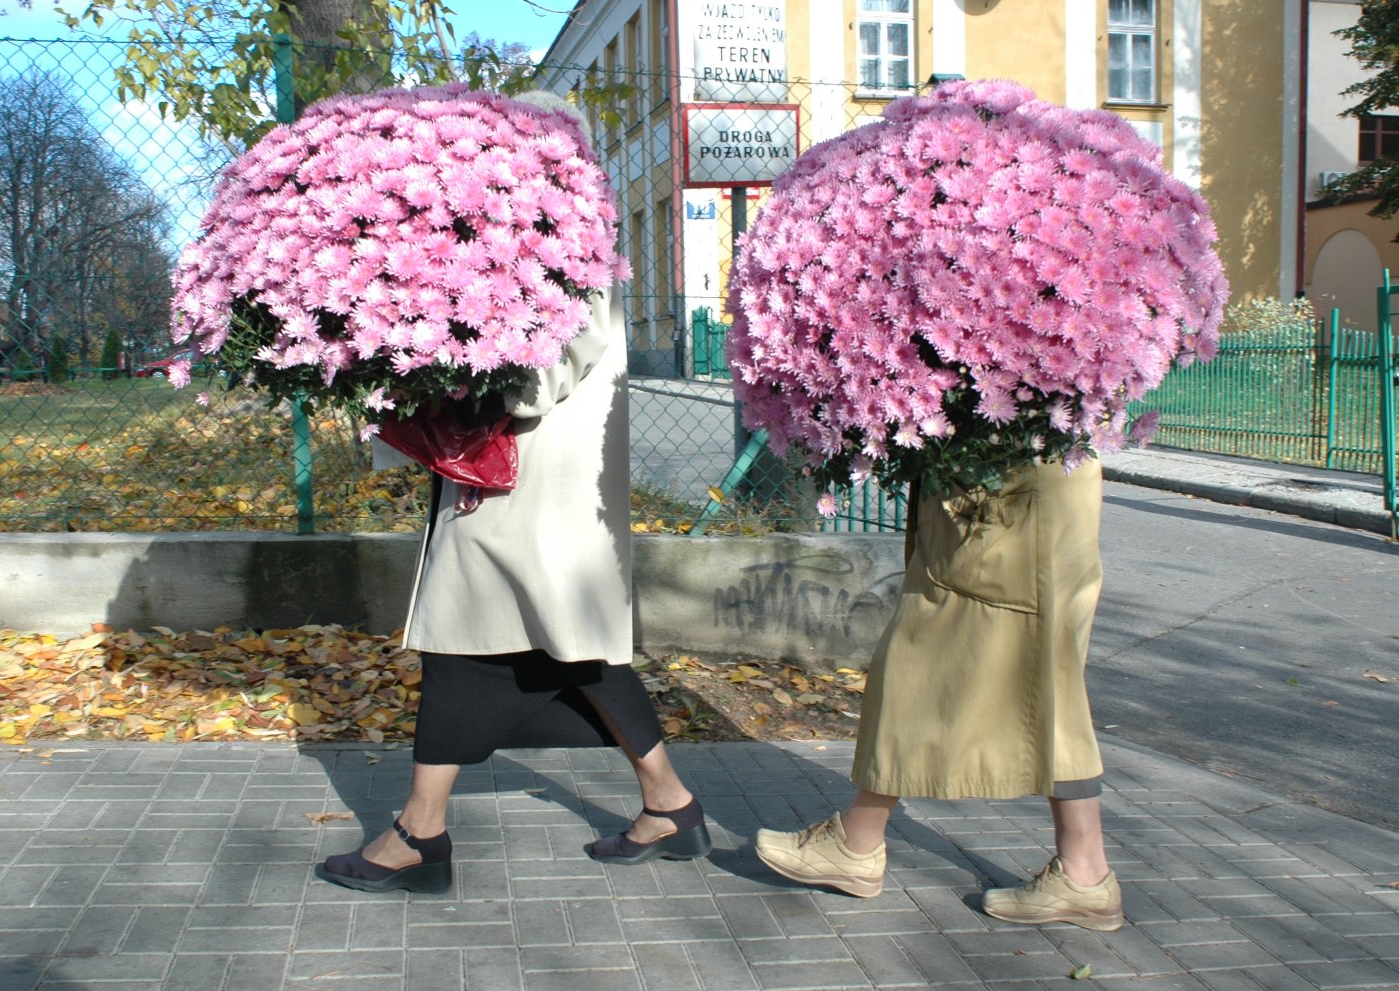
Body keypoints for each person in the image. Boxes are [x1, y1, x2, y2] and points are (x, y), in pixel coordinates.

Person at [319, 92, 710, 894]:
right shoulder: (530, 234)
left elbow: (546, 372)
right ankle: (667, 801)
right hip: (522, 485)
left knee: (480, 645)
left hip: (529, 481)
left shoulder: (578, 243)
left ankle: (419, 834)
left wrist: (462, 383)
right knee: (562, 647)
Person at [754, 459, 1123, 931]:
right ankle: (1084, 869)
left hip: (1010, 495)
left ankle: (857, 843)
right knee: (1050, 678)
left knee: (923, 653)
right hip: (1035, 489)